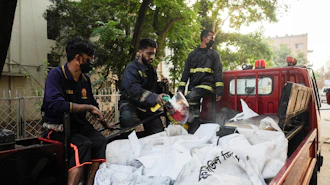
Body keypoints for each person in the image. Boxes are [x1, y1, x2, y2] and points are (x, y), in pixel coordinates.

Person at [41, 37, 108, 185]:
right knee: (82, 144)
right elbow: (55, 104)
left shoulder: (85, 79)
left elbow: (91, 103)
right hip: (57, 128)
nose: (91, 63)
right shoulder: (56, 75)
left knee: (100, 141)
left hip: (79, 127)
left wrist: (103, 120)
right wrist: (88, 108)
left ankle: (89, 182)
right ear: (78, 58)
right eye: (89, 59)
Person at [118, 38, 169, 137]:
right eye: (149, 53)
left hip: (146, 106)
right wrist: (155, 98)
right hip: (130, 103)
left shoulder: (151, 70)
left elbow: (153, 88)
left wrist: (161, 85)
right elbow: (134, 90)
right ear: (140, 52)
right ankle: (125, 143)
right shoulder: (131, 69)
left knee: (158, 133)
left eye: (153, 54)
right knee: (128, 120)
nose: (152, 57)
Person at [177, 30, 224, 134]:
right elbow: (185, 74)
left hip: (207, 86)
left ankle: (181, 125)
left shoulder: (214, 55)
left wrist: (219, 90)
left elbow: (218, 73)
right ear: (204, 38)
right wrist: (180, 90)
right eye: (211, 38)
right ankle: (194, 132)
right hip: (193, 87)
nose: (213, 40)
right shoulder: (192, 55)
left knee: (187, 100)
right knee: (194, 113)